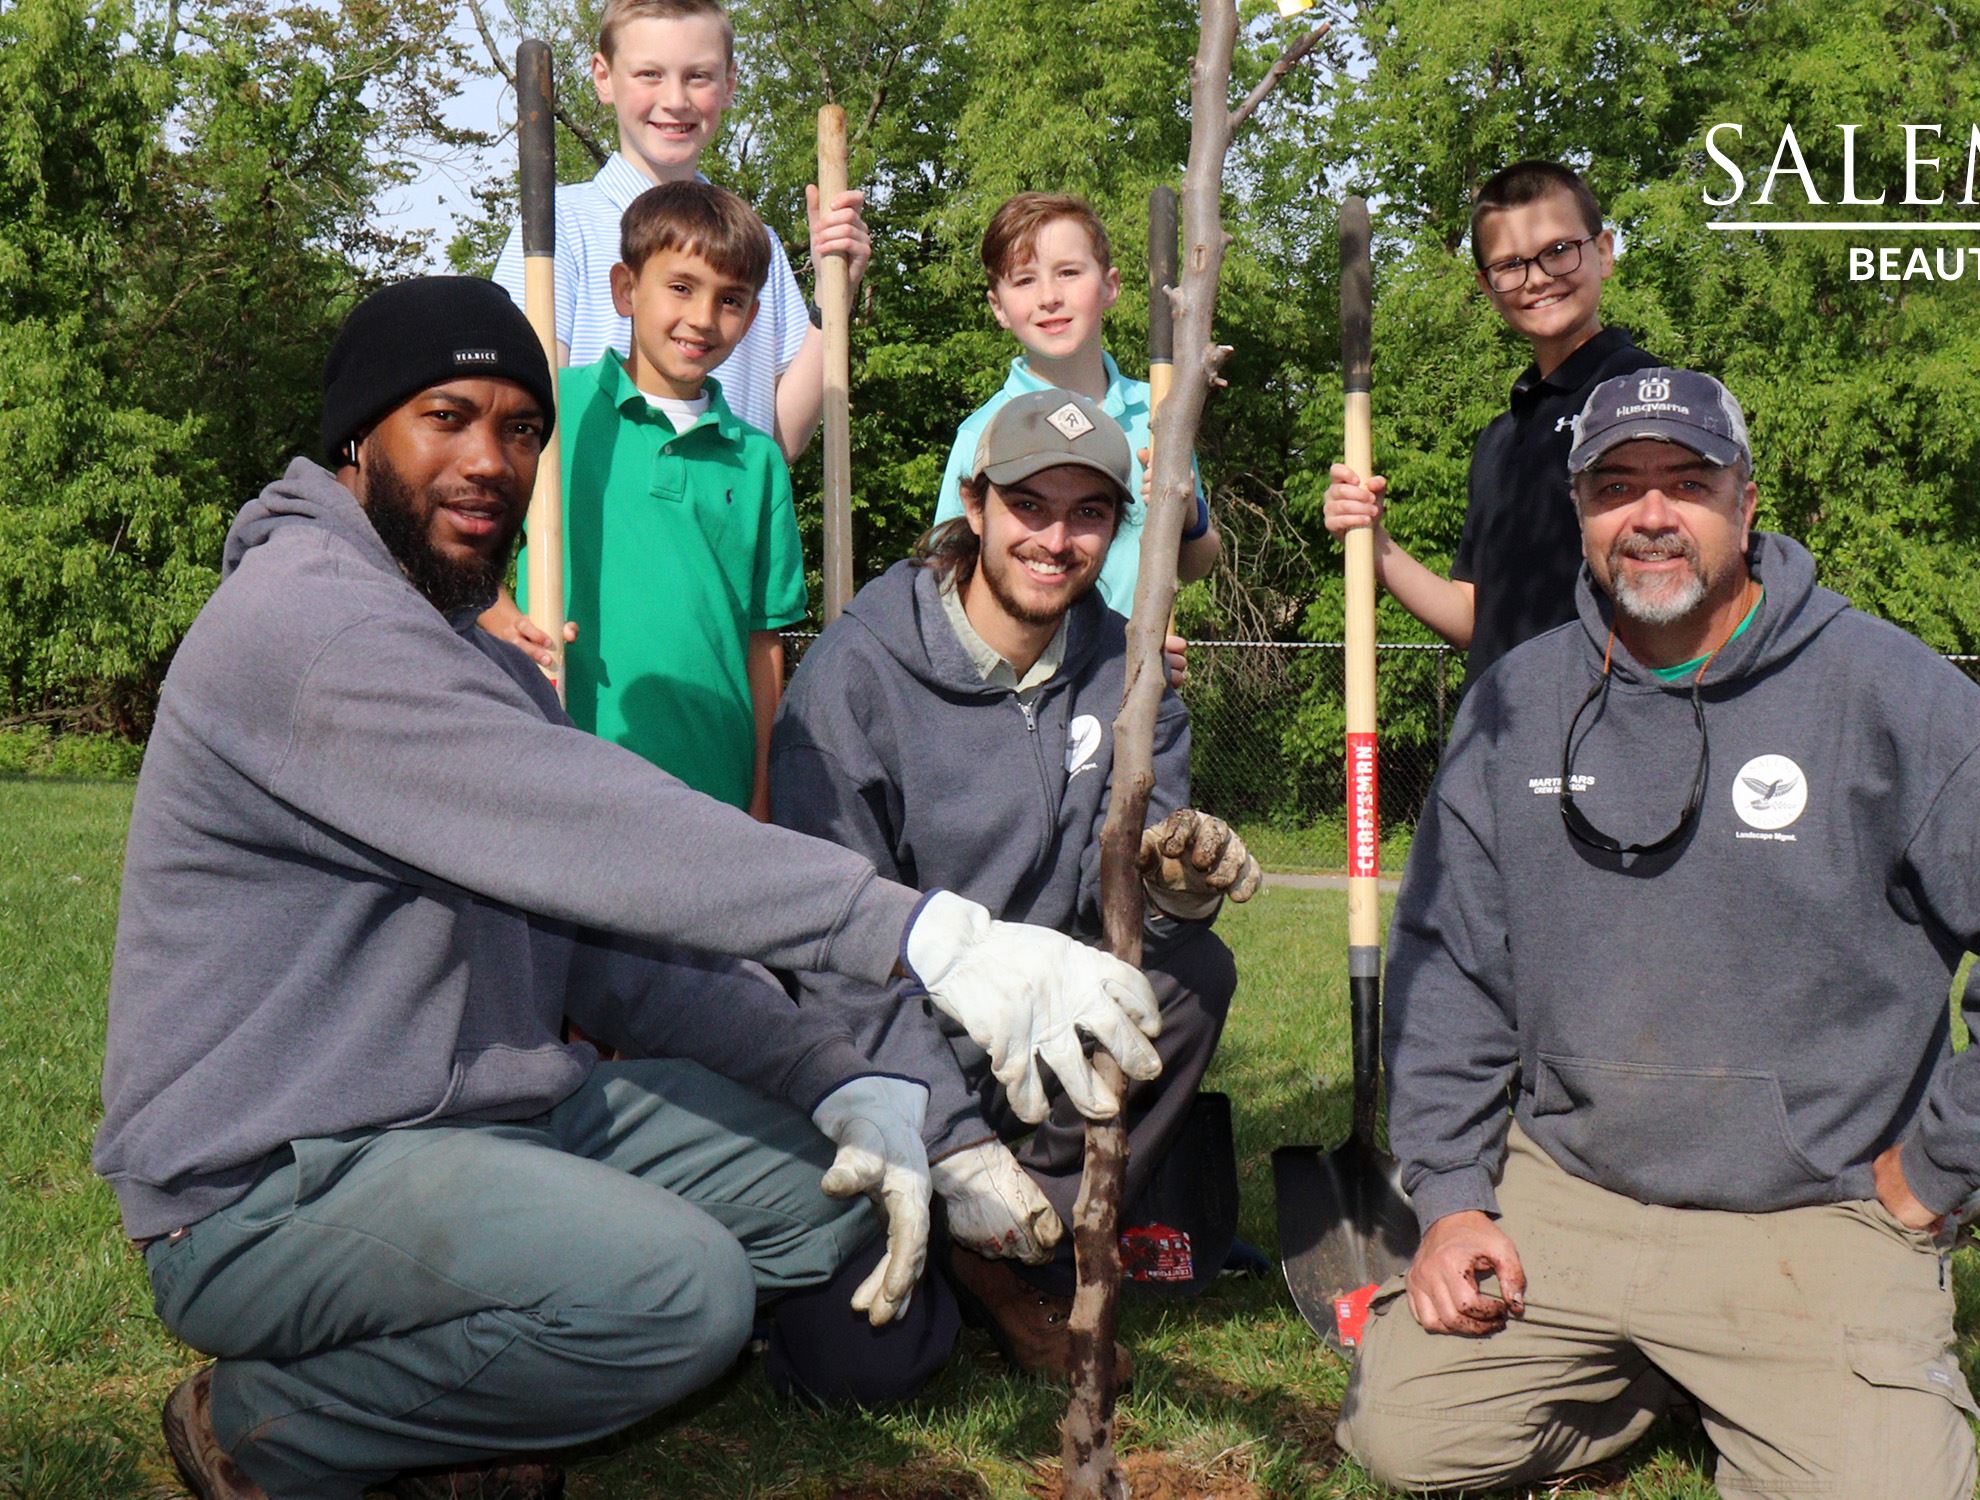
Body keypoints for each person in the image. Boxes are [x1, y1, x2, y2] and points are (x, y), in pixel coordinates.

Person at [94, 278, 1166, 1500]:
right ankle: (269, 1422)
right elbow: (606, 835)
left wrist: (839, 1079)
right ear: (356, 439)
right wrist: (922, 932)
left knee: (823, 1196)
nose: (490, 461)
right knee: (681, 1296)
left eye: (519, 429)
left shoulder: (465, 650)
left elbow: (612, 946)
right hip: (279, 1179)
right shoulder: (309, 629)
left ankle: (482, 1389)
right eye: (447, 416)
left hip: (479, 1125)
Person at [1336, 368, 1980, 1497]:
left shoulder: (1880, 688)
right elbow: (1454, 979)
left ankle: (1741, 1375)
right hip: (1570, 1195)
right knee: (1408, 1440)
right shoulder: (1515, 699)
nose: (1653, 514)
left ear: (1747, 502)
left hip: (1809, 1214)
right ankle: (1644, 1376)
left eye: (1689, 481)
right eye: (1617, 486)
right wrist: (1451, 1202)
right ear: (1581, 515)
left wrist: (1939, 1167)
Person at [771, 389, 1257, 1379]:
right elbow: (832, 949)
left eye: (1088, 514)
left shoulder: (1129, 676)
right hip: (892, 1041)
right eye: (1030, 504)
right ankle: (974, 1257)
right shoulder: (856, 678)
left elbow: (1119, 925)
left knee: (1194, 975)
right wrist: (949, 1140)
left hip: (1041, 1042)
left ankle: (1031, 1249)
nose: (1055, 538)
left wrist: (1172, 892)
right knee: (859, 1370)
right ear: (977, 503)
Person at [503, 179, 807, 815]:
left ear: (752, 317)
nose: (701, 318)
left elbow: (763, 643)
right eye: (680, 287)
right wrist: (502, 616)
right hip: (566, 769)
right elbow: (455, 538)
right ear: (625, 289)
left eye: (730, 300)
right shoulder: (557, 411)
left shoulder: (757, 463)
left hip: (712, 791)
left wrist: (760, 791)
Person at [1322, 160, 1659, 689]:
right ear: (1486, 285)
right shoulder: (1501, 439)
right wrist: (1371, 539)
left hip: (1613, 731)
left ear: (1603, 252)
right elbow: (1471, 617)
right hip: (1505, 734)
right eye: (1510, 264)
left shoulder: (1648, 396)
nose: (1539, 278)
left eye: (1558, 251)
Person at [492, 0, 863, 460]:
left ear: (728, 84)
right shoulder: (555, 224)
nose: (675, 100)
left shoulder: (754, 241)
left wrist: (831, 297)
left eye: (698, 76)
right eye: (650, 74)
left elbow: (778, 439)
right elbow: (527, 409)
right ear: (603, 77)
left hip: (726, 520)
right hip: (598, 522)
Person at [931, 192, 1221, 617]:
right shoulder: (981, 433)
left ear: (1110, 286)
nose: (1049, 296)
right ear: (999, 307)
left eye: (1068, 272)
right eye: (1025, 279)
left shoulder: (1160, 410)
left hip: (1136, 674)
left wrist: (1190, 518)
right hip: (1028, 680)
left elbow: (1196, 563)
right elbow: (946, 579)